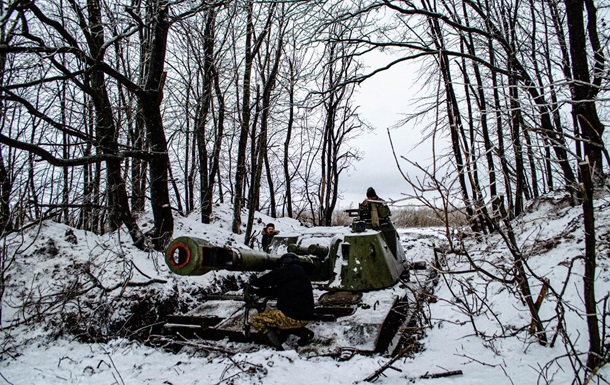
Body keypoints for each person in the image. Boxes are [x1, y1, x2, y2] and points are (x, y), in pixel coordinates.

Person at [248, 253, 315, 350]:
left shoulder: (292, 269)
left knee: (257, 320)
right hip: (304, 316)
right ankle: (304, 333)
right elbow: (277, 291)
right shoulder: (299, 274)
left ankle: (278, 348)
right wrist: (257, 291)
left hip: (293, 316)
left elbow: (271, 278)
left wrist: (255, 282)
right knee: (281, 316)